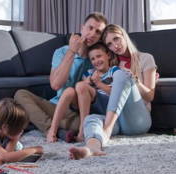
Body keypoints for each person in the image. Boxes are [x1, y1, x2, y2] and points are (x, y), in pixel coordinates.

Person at [14, 12, 108, 143]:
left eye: (98, 32)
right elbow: (56, 85)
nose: (92, 34)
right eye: (90, 28)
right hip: (55, 107)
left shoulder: (98, 59)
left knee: (81, 123)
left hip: (77, 115)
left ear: (101, 37)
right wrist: (72, 51)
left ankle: (46, 125)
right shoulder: (62, 52)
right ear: (82, 28)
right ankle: (53, 130)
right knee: (20, 94)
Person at [69, 24, 158, 160]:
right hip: (118, 120)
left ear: (124, 35)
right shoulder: (111, 63)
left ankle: (107, 128)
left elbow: (150, 96)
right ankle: (91, 148)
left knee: (122, 75)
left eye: (116, 39)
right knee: (91, 119)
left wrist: (135, 81)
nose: (115, 46)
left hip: (138, 120)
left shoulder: (146, 58)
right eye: (109, 44)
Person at [47, 42, 119, 143]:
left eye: (99, 56)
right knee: (68, 91)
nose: (96, 61)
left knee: (80, 85)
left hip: (107, 106)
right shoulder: (89, 72)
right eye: (93, 59)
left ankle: (82, 132)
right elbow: (80, 90)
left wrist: (98, 83)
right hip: (91, 105)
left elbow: (116, 94)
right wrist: (88, 81)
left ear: (108, 55)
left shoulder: (114, 71)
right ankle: (52, 131)